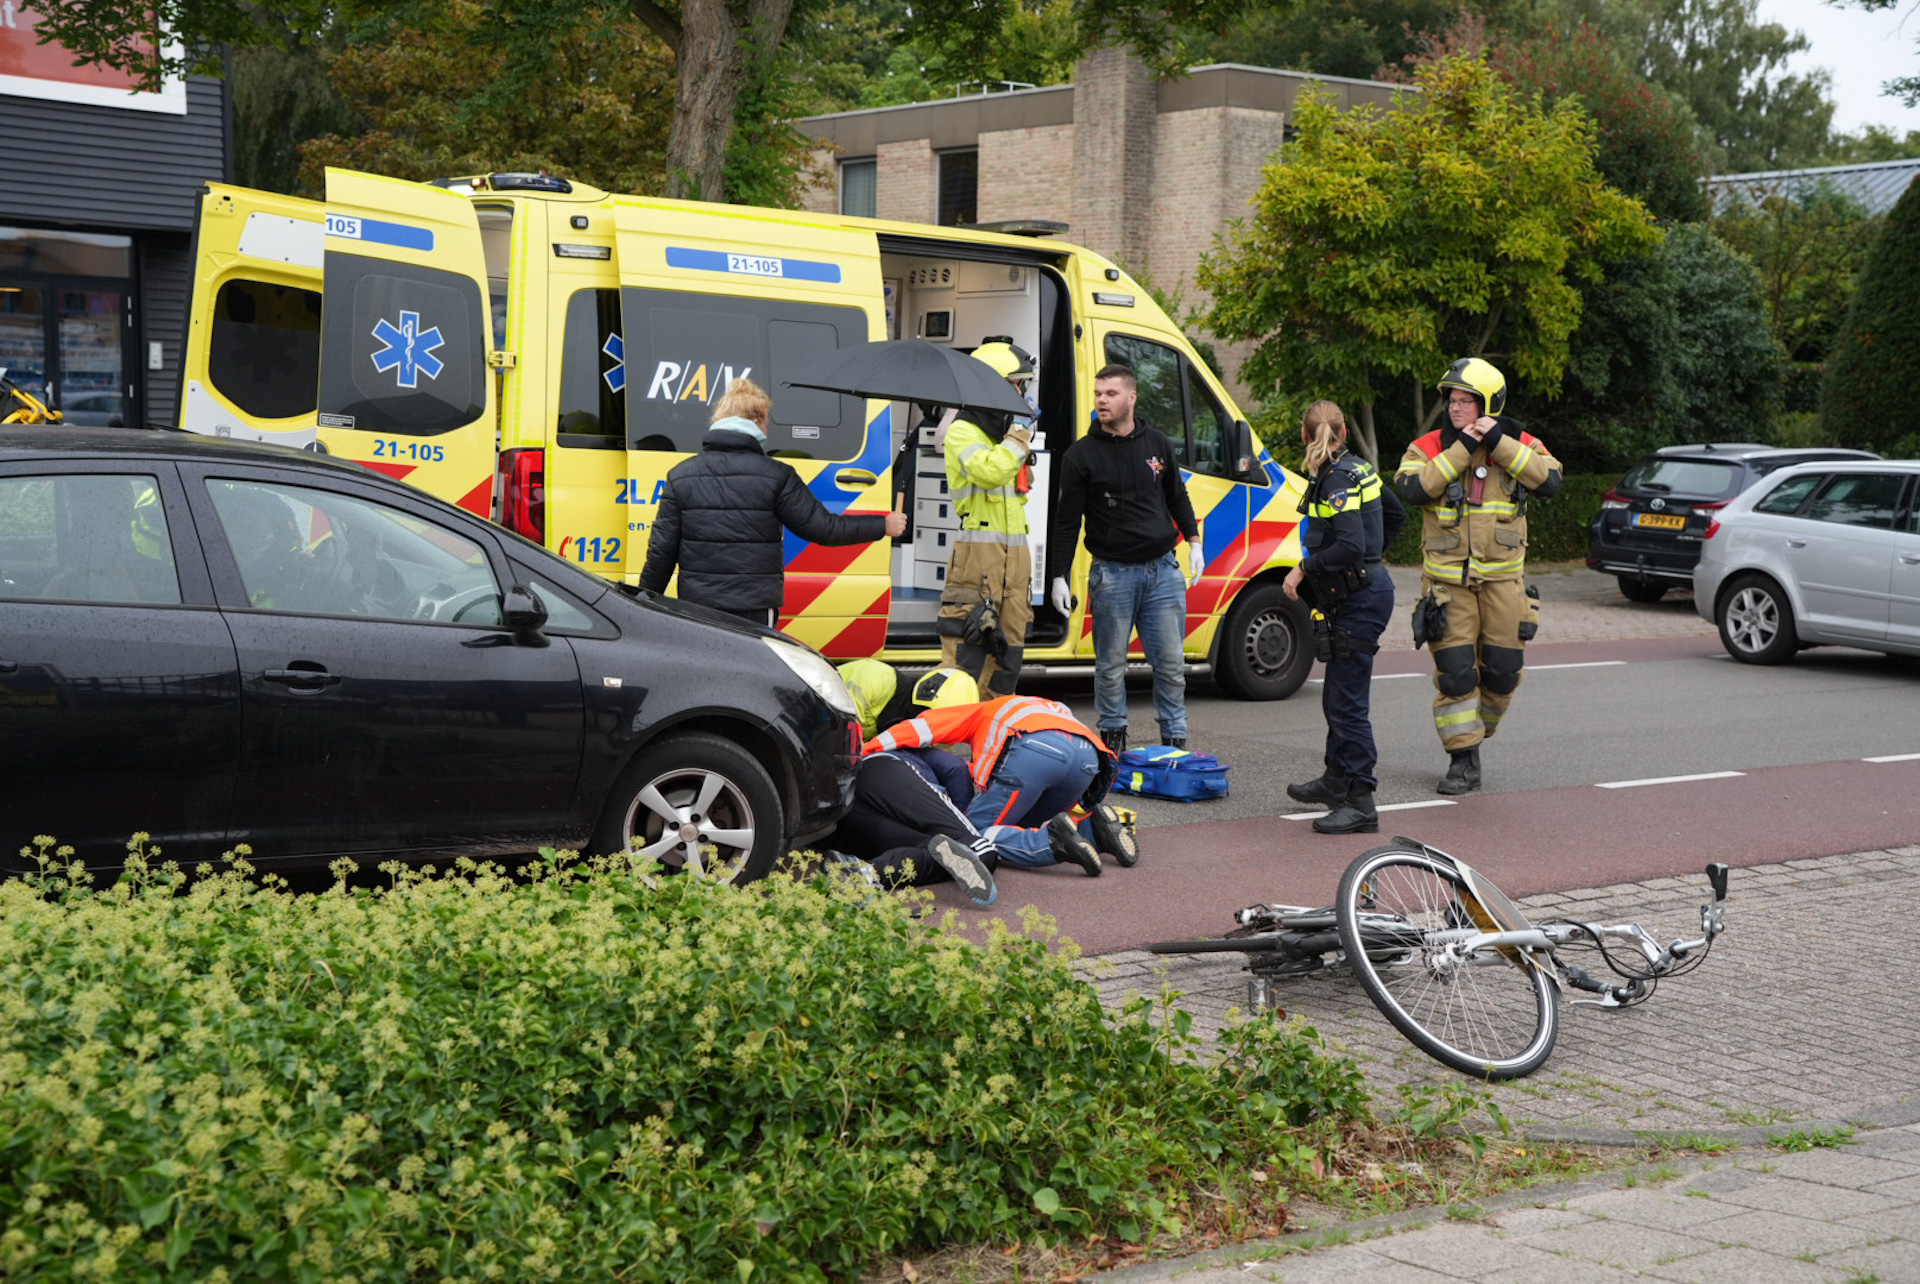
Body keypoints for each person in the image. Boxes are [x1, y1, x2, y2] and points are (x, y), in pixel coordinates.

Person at [1395, 358, 1562, 794]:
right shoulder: (1428, 446)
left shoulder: (1521, 442)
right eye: (1451, 400)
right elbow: (1412, 490)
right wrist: (1462, 450)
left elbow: (1551, 481)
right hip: (1448, 587)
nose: (1455, 408)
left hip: (1505, 583)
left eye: (1465, 400)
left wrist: (1498, 443)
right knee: (1455, 675)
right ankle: (1462, 760)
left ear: (1488, 402)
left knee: (1503, 673)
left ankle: (1477, 735)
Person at [640, 377, 906, 627]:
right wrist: (883, 525)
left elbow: (661, 552)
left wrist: (642, 606)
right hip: (754, 607)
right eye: (767, 422)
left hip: (697, 607)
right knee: (754, 675)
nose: (768, 429)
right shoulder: (777, 475)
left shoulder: (681, 476)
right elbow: (825, 529)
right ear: (756, 421)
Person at [1047, 363, 1202, 753]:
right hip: (1112, 575)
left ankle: (1175, 745)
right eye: (1099, 393)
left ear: (1131, 398)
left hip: (1163, 571)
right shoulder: (1080, 455)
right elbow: (1066, 522)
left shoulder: (1159, 445)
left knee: (1170, 666)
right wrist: (1058, 576)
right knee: (1111, 668)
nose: (1102, 399)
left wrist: (1195, 541)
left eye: (1111, 393)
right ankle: (1112, 743)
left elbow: (1177, 496)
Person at [1282, 401, 1406, 834]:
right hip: (1363, 593)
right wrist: (1372, 560)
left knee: (1347, 704)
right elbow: (1396, 514)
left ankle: (1361, 802)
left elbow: (1350, 545)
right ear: (1344, 434)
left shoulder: (1335, 478)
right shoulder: (1357, 468)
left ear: (1304, 434)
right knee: (1337, 697)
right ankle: (1337, 780)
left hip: (1360, 600)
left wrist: (1306, 568)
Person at [865, 692, 1140, 876]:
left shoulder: (980, 711)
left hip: (1034, 750)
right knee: (1022, 825)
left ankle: (1048, 846)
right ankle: (1095, 831)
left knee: (972, 836)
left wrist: (865, 750)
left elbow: (921, 729)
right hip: (1088, 758)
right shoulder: (1039, 704)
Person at [937, 342, 1037, 696]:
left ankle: (991, 743)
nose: (1020, 391)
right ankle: (947, 745)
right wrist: (1020, 435)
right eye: (1013, 383)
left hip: (1014, 560)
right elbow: (990, 472)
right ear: (989, 383)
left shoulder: (1005, 433)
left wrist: (1015, 435)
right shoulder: (964, 431)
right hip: (977, 560)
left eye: (1021, 384)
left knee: (1007, 658)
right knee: (966, 656)